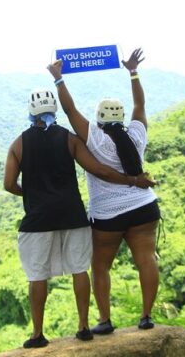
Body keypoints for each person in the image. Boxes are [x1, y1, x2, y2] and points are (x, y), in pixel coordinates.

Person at [3, 88, 155, 348]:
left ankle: (38, 334)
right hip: (74, 215)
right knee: (80, 270)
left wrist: (32, 195)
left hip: (38, 220)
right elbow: (97, 169)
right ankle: (84, 327)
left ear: (31, 112)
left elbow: (8, 184)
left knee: (37, 276)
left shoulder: (18, 144)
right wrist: (133, 181)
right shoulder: (70, 139)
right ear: (53, 111)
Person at [47, 48, 161, 333]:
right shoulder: (136, 135)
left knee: (100, 267)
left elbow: (70, 111)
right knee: (147, 260)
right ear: (121, 117)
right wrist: (133, 73)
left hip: (108, 214)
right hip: (145, 207)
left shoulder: (94, 138)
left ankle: (105, 321)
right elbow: (140, 107)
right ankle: (146, 317)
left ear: (98, 118)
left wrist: (58, 79)